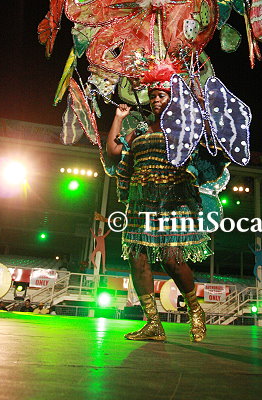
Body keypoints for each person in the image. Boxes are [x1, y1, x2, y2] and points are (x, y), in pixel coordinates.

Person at [106, 77, 210, 343]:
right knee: (137, 259)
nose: (155, 100)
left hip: (171, 201)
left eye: (161, 95)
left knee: (171, 259)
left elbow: (208, 141)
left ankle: (196, 312)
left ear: (172, 99)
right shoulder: (140, 129)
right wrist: (119, 117)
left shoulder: (183, 126)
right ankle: (153, 324)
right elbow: (114, 150)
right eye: (152, 96)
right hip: (140, 200)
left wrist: (201, 108)